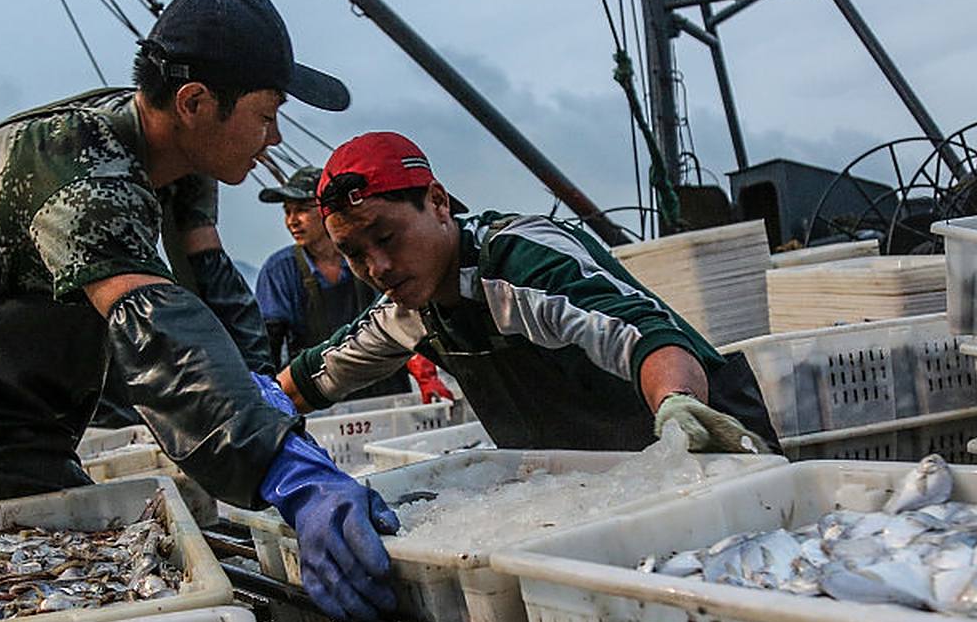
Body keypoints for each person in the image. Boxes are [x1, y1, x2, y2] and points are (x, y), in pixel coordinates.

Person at [0, 0, 397, 620]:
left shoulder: (184, 165)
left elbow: (207, 280)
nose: (272, 137)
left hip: (15, 354)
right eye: (266, 115)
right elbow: (153, 323)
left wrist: (258, 391)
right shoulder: (81, 165)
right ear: (195, 102)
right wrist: (280, 465)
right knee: (30, 563)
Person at [277, 132, 779, 455]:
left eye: (386, 238)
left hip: (712, 455)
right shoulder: (409, 310)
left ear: (437, 204)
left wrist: (677, 404)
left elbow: (642, 334)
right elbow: (309, 379)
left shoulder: (520, 262)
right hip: (611, 482)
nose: (377, 267)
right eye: (354, 253)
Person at [253, 165, 410, 401]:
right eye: (288, 212)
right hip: (321, 396)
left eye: (302, 210)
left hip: (386, 393)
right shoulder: (280, 270)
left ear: (330, 211)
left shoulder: (368, 257)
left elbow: (406, 314)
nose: (292, 221)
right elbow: (269, 346)